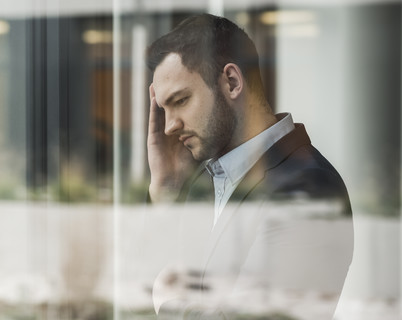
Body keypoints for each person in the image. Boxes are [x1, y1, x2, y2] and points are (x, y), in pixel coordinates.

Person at [143, 13, 353, 319]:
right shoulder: (203, 184)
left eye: (181, 100)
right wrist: (165, 194)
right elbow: (150, 285)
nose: (169, 127)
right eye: (164, 109)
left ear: (231, 82)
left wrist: (171, 307)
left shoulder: (309, 188)